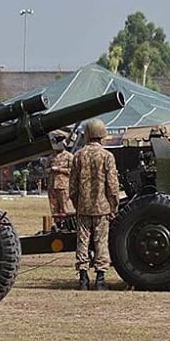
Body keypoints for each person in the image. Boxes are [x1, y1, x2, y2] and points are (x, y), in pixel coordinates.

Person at [69, 118, 120, 291]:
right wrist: (114, 206)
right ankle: (100, 278)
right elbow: (112, 186)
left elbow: (73, 186)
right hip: (102, 207)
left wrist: (77, 204)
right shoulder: (107, 156)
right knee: (101, 242)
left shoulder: (78, 156)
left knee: (82, 241)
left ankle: (83, 278)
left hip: (83, 207)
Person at [46, 134, 75, 226]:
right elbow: (46, 169)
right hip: (52, 186)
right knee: (54, 208)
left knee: (66, 208)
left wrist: (59, 169)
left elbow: (72, 171)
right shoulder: (51, 157)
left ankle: (68, 225)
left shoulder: (69, 156)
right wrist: (51, 169)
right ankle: (57, 225)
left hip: (64, 186)